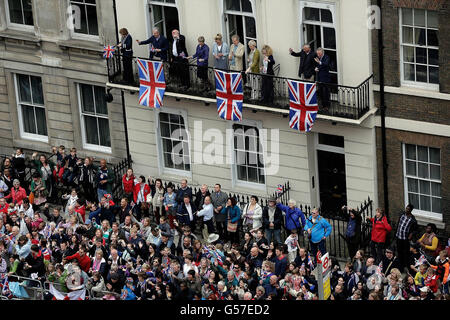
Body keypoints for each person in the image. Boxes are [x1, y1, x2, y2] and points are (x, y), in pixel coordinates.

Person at [395, 204, 418, 272]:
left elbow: (416, 230)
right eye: (406, 208)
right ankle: (400, 267)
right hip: (398, 236)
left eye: (408, 209)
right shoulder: (402, 214)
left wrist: (411, 234)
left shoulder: (413, 220)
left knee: (405, 253)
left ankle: (406, 267)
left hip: (405, 239)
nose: (406, 210)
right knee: (399, 252)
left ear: (411, 210)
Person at [314, 47, 331, 111]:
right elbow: (318, 66)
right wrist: (316, 68)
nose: (318, 55)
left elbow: (326, 64)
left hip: (326, 79)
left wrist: (319, 62)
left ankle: (327, 106)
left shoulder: (326, 57)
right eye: (317, 54)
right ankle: (322, 105)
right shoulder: (318, 58)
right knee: (320, 93)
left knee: (326, 93)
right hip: (319, 78)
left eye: (319, 54)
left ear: (322, 53)